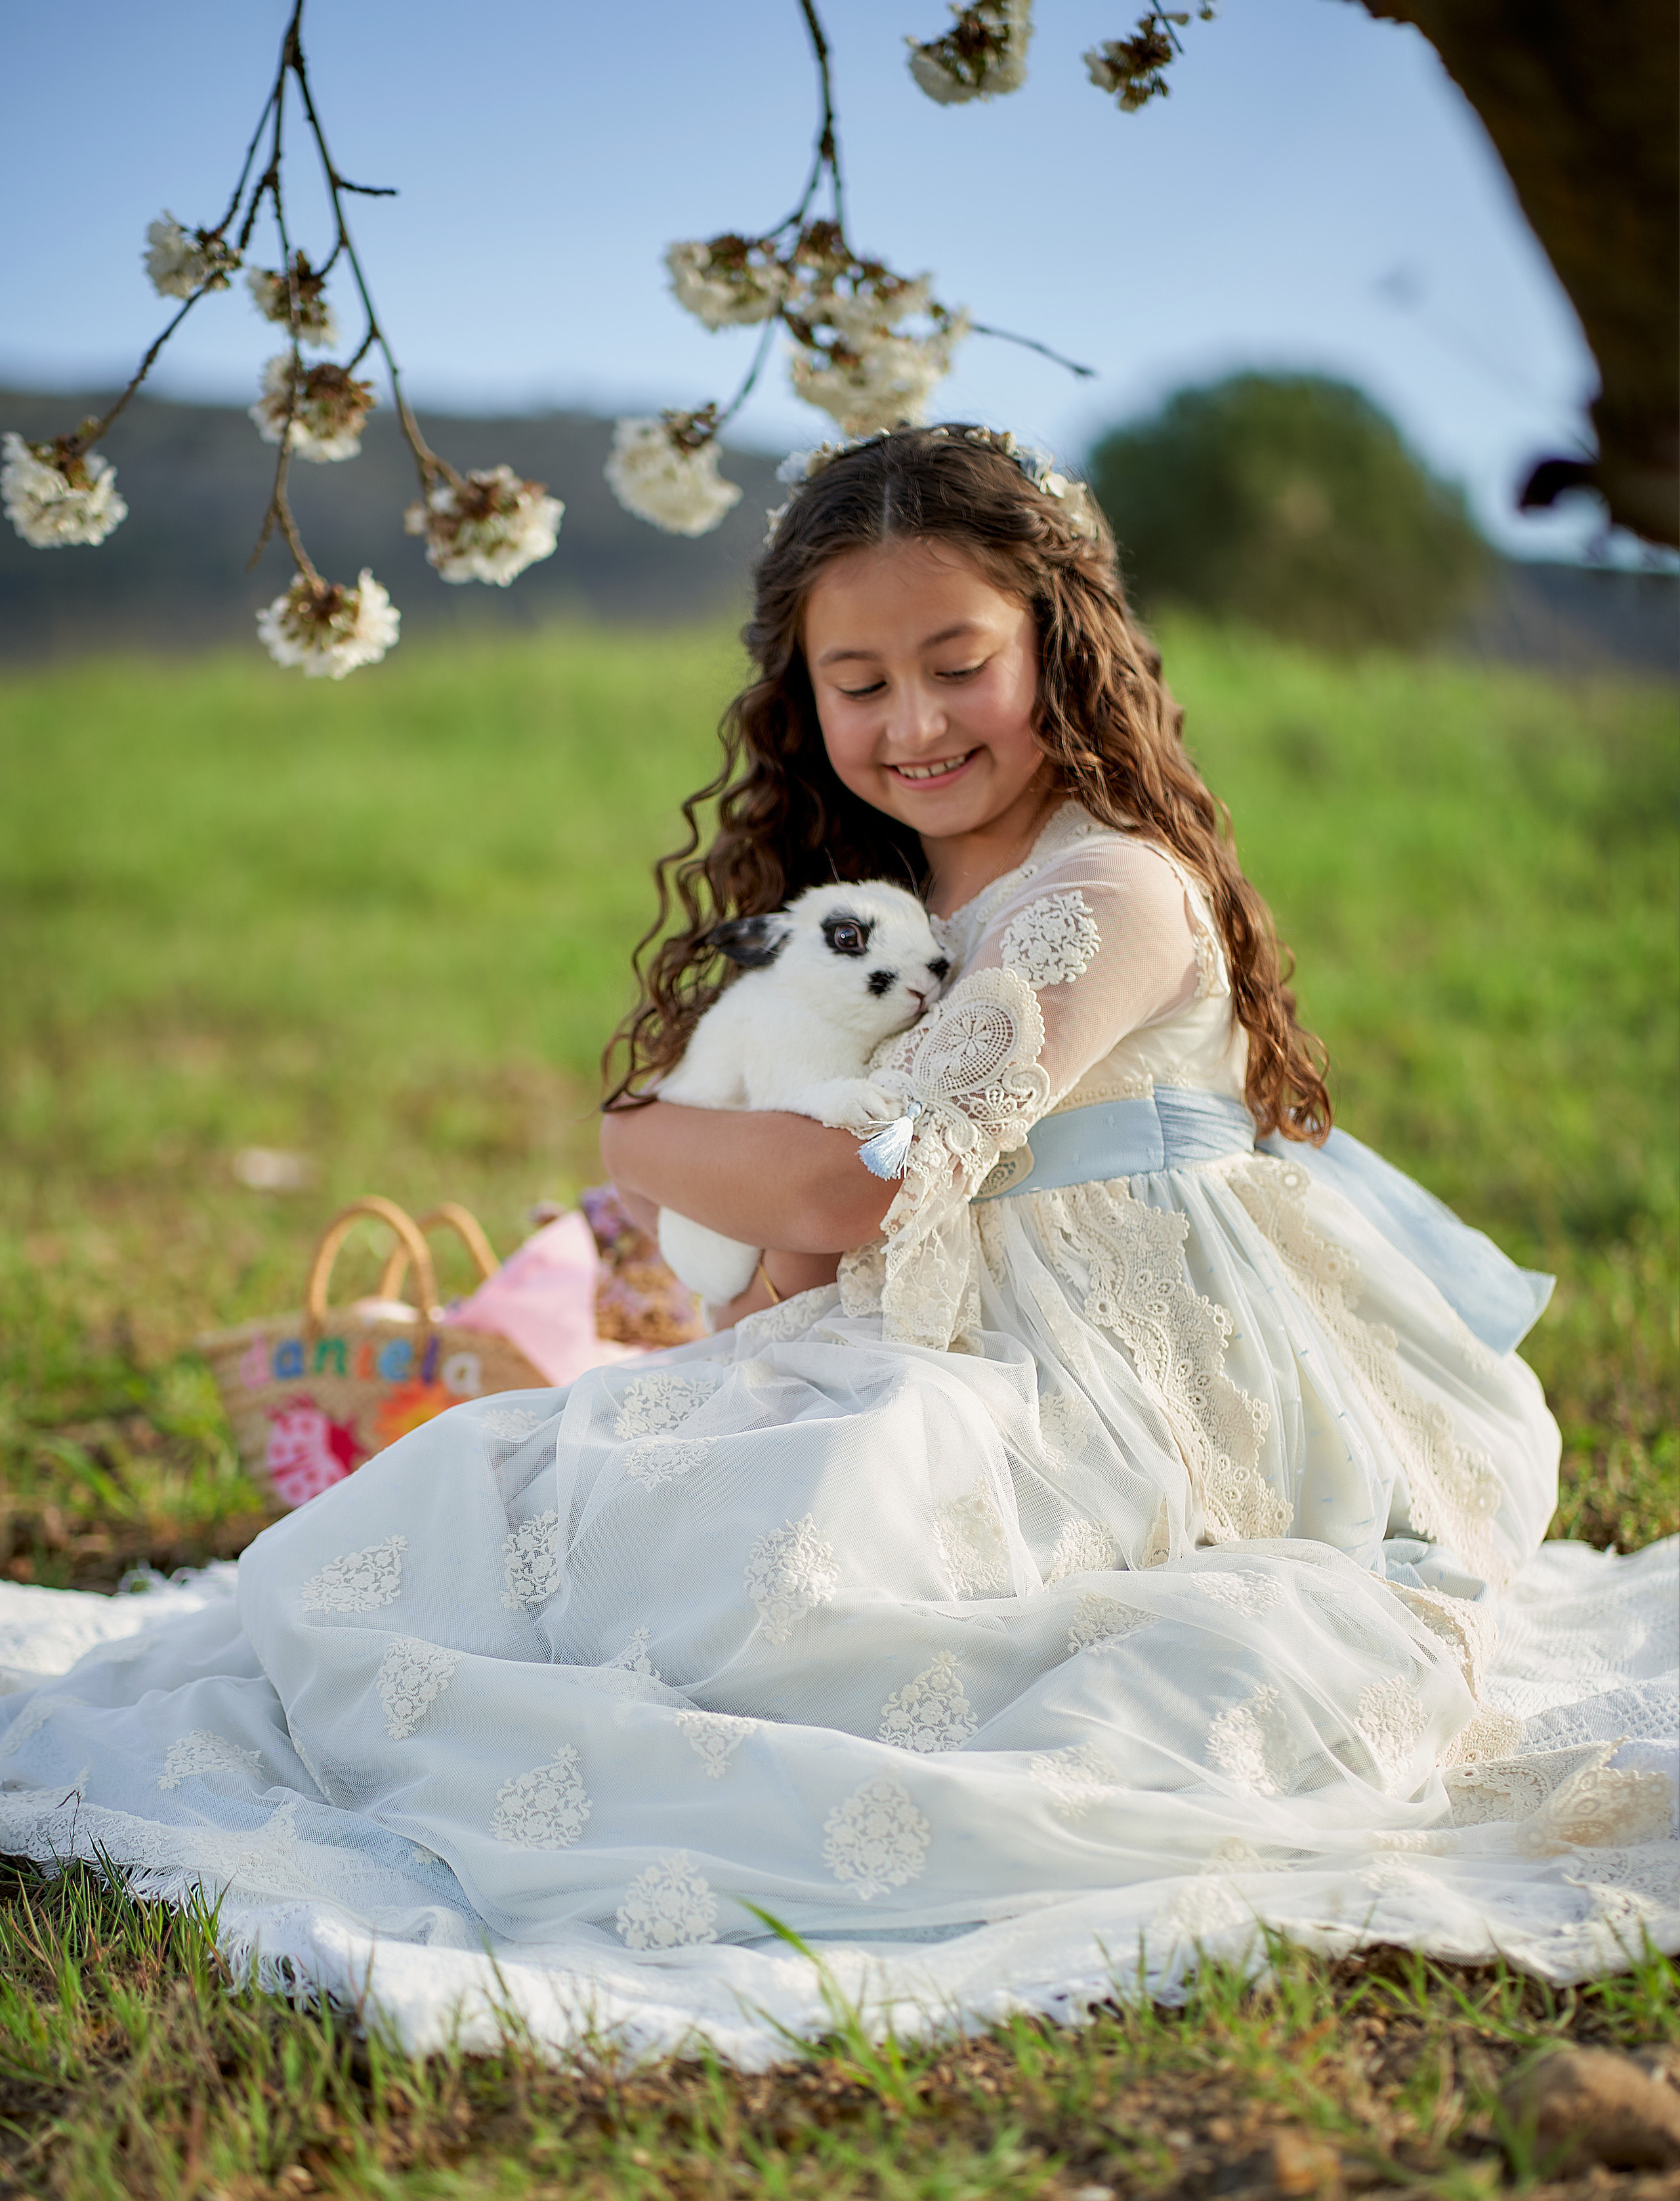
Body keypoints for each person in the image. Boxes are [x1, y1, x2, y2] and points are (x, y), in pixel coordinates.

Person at [1, 428, 1673, 2058]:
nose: (913, 722)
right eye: (857, 683)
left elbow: (851, 1187)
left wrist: (634, 1136)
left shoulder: (1103, 893)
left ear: (1059, 647)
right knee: (537, 1488)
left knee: (772, 1540)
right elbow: (815, 1237)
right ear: (800, 697)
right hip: (959, 1332)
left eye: (957, 666)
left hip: (1131, 1379)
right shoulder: (901, 912)